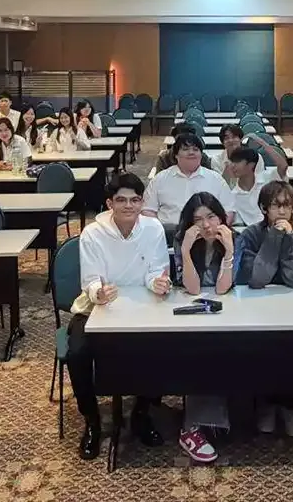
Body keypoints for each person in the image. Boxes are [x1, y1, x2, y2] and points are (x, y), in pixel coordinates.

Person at [67, 172, 170, 460]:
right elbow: (90, 281)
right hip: (96, 309)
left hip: (142, 306)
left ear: (142, 202)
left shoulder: (153, 228)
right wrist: (98, 292)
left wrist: (157, 282)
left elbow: (156, 270)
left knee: (164, 345)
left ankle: (142, 412)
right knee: (77, 354)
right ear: (110, 203)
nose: (129, 206)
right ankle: (92, 420)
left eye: (135, 200)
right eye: (121, 200)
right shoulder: (93, 233)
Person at [232, 181, 293, 439]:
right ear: (263, 209)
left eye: (287, 206)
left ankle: (289, 406)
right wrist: (274, 238)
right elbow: (257, 278)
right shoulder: (250, 236)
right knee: (262, 348)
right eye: (275, 206)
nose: (282, 211)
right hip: (257, 307)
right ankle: (266, 404)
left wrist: (287, 241)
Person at [172, 192, 236, 463]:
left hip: (229, 312)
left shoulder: (234, 238)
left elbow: (222, 289)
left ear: (221, 217)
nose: (206, 225)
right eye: (198, 220)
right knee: (200, 348)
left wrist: (229, 251)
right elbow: (193, 288)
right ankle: (194, 425)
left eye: (211, 217)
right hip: (194, 314)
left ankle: (218, 416)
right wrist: (186, 252)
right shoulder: (182, 240)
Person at [143, 133, 234, 229]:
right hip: (168, 232)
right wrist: (158, 231)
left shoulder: (216, 179)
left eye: (195, 149)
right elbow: (147, 210)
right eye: (185, 149)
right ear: (176, 155)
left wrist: (214, 230)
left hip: (207, 231)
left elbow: (228, 211)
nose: (191, 153)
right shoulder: (160, 179)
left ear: (201, 155)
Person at [228, 145, 288, 227]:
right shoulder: (232, 194)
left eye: (237, 161)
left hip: (274, 227)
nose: (232, 166)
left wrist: (264, 144)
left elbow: (283, 166)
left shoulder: (267, 178)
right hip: (249, 231)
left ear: (251, 165)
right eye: (232, 162)